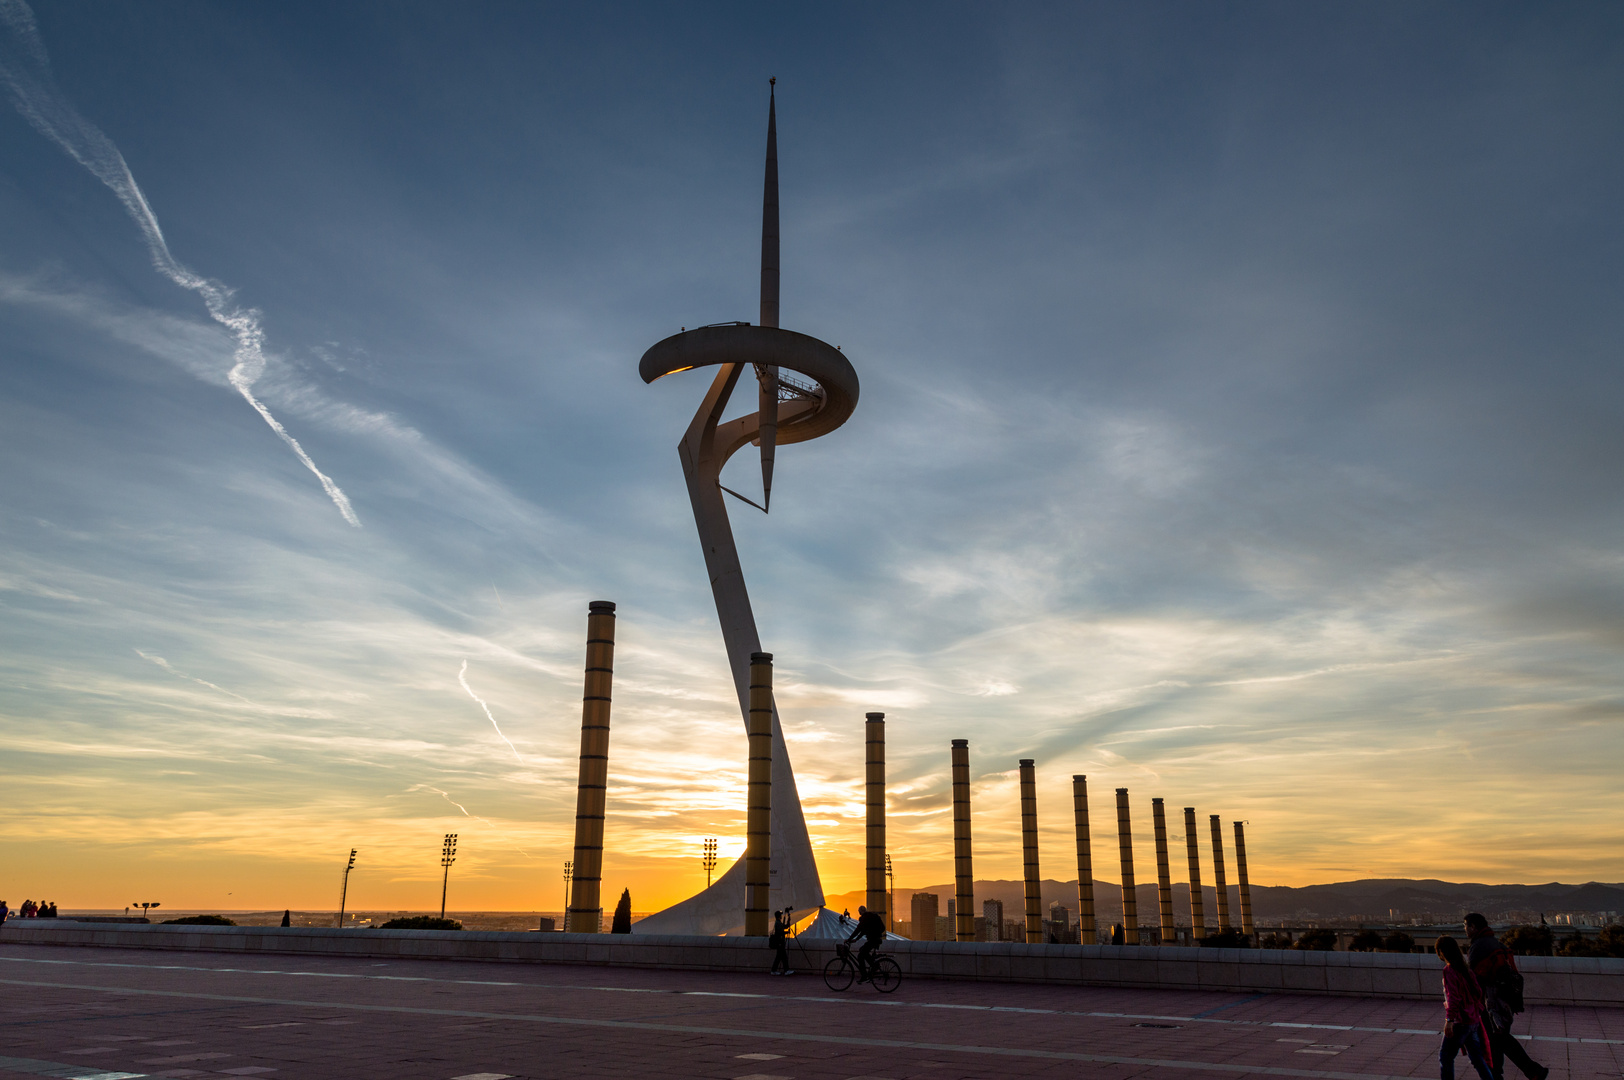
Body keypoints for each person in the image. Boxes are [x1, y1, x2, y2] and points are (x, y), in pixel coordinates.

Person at [1465, 913, 1549, 1080]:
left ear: (1474, 927)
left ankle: (1532, 1070)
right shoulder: (1497, 944)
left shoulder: (1478, 947)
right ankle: (1500, 1074)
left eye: (1466, 925)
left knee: (1497, 1039)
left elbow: (1473, 979)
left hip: (1490, 1003)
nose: (1465, 929)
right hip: (1505, 1000)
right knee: (1497, 1040)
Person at [1436, 935, 1495, 1080]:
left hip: (1460, 1022)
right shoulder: (1466, 969)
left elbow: (1453, 998)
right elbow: (1478, 992)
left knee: (1445, 1057)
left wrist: (1449, 1020)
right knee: (1477, 1059)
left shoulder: (1449, 971)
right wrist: (1475, 1010)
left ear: (1441, 952)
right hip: (1472, 1021)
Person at [844, 904, 886, 984]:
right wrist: (856, 939)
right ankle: (874, 966)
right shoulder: (870, 917)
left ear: (860, 912)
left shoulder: (864, 918)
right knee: (862, 951)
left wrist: (849, 939)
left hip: (873, 940)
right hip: (876, 939)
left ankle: (865, 975)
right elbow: (863, 931)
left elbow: (858, 930)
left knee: (860, 956)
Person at [769, 908, 792, 975]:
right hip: (780, 943)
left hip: (780, 943)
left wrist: (788, 919)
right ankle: (786, 970)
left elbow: (786, 926)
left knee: (779, 957)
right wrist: (786, 932)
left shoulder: (778, 922)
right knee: (783, 957)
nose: (781, 916)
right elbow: (780, 932)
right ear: (779, 916)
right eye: (780, 915)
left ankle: (774, 970)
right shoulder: (778, 923)